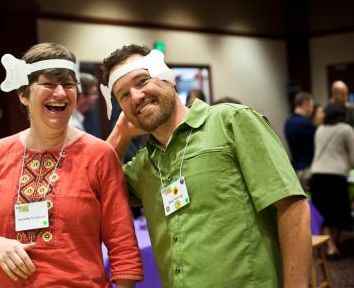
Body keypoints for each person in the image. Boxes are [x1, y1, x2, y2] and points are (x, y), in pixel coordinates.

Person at [100, 44, 311, 287]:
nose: (136, 96)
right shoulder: (143, 166)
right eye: (123, 95)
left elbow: (292, 205)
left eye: (142, 81)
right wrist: (119, 133)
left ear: (168, 79)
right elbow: (93, 189)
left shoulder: (231, 122)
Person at [0, 43, 143, 287]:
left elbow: (123, 245)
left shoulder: (100, 155)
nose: (60, 93)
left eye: (68, 85)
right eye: (48, 84)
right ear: (23, 95)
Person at [310, 102, 354, 257]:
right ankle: (332, 244)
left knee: (323, 213)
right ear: (343, 115)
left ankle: (329, 245)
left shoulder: (319, 129)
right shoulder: (346, 129)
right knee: (338, 213)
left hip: (316, 175)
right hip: (335, 176)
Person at [284, 91, 316, 191]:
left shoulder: (288, 122)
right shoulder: (307, 124)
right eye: (311, 106)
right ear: (305, 104)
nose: (312, 110)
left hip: (296, 170)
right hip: (309, 169)